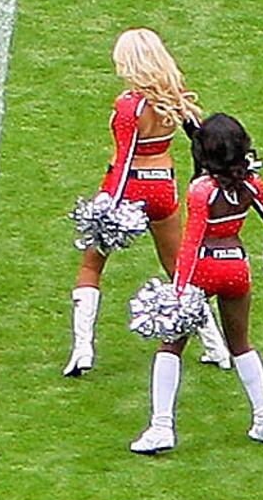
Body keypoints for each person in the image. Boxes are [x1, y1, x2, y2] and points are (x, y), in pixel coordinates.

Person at [136, 111, 263, 452]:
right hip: (237, 269)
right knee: (241, 344)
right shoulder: (252, 184)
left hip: (203, 269)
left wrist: (178, 291)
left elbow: (192, 241)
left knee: (171, 346)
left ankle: (161, 427)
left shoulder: (202, 190)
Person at [60, 30, 200, 376]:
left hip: (127, 187)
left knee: (91, 266)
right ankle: (218, 346)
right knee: (180, 270)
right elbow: (201, 139)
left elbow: (123, 160)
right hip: (163, 186)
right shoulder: (174, 96)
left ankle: (82, 349)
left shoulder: (129, 105)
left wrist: (108, 204)